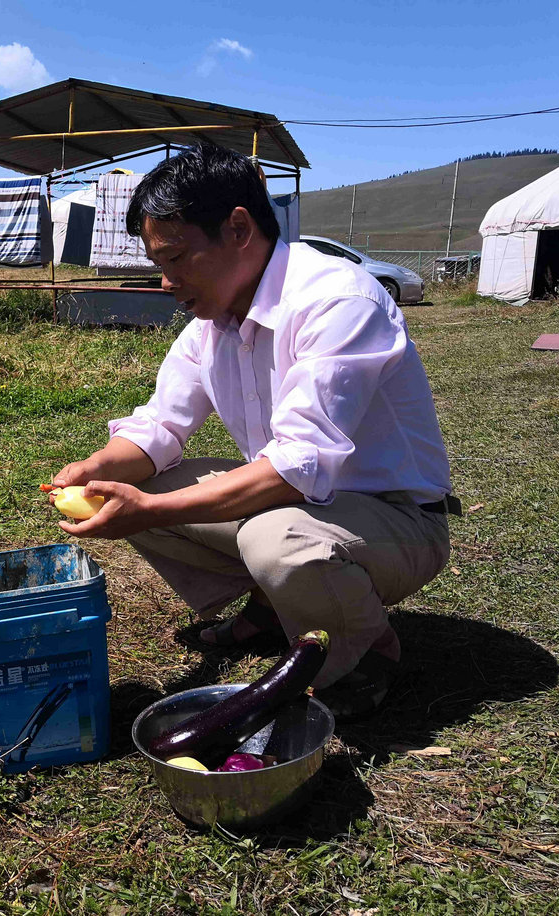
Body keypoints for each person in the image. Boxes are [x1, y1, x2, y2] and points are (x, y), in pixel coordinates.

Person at [50, 144, 458, 720]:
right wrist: (100, 469)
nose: (167, 282)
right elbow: (160, 425)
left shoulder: (336, 301)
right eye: (159, 265)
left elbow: (298, 462)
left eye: (177, 258)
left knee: (280, 542)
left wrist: (150, 509)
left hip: (398, 520)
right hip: (295, 504)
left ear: (238, 228)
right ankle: (273, 609)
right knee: (153, 492)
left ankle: (365, 655)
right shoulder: (213, 322)